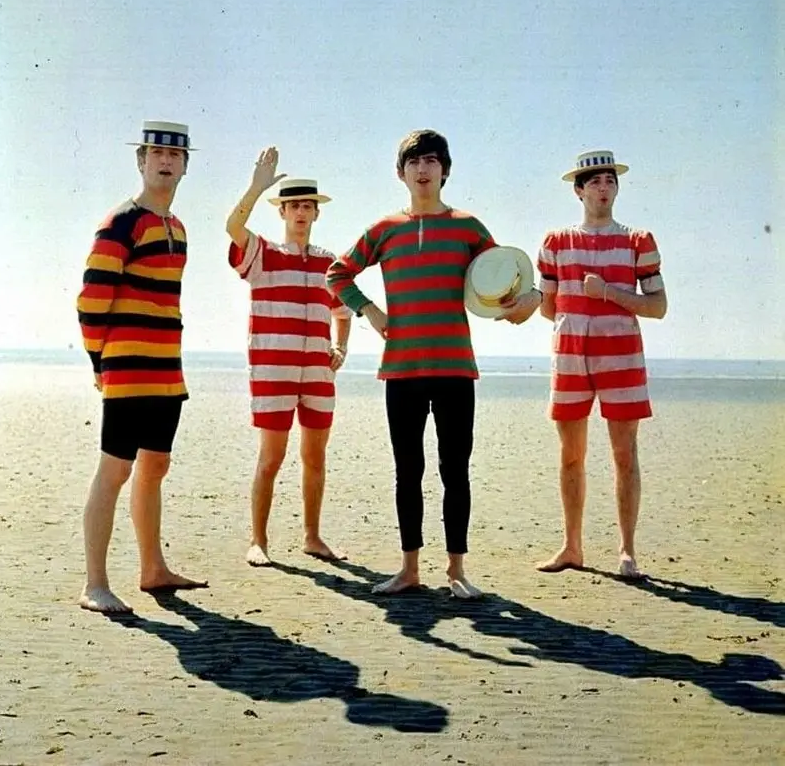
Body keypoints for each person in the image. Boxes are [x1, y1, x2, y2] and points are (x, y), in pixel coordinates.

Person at [326, 129, 541, 598]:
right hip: (401, 369)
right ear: (400, 172)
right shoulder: (384, 229)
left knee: (455, 469)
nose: (422, 169)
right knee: (408, 471)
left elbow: (504, 284)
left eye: (431, 160)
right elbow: (337, 273)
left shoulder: (468, 227)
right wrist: (370, 310)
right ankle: (409, 569)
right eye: (414, 162)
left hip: (454, 367)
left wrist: (530, 298)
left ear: (445, 169)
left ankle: (456, 570)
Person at [76, 120, 208, 614]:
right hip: (128, 368)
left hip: (167, 370)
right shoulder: (121, 222)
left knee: (156, 465)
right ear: (141, 161)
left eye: (175, 156)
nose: (165, 161)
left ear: (185, 166)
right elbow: (91, 300)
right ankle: (94, 584)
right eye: (155, 153)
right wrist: (98, 361)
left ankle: (153, 570)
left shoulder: (177, 228)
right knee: (115, 469)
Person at [535, 149, 668, 578]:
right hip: (571, 355)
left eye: (609, 180)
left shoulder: (638, 241)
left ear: (617, 187)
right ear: (579, 190)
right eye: (593, 181)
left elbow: (658, 306)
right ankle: (572, 547)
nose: (602, 187)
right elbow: (546, 306)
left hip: (622, 355)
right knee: (570, 454)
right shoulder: (556, 241)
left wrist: (608, 293)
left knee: (623, 454)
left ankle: (627, 551)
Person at [226, 147, 352, 567]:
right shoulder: (263, 254)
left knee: (315, 457)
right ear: (282, 212)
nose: (301, 212)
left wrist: (341, 347)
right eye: (294, 205)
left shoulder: (328, 263)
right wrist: (258, 186)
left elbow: (342, 310)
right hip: (272, 371)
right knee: (271, 458)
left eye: (307, 206)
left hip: (317, 371)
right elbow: (232, 226)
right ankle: (258, 540)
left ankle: (312, 537)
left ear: (316, 213)